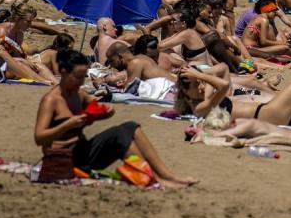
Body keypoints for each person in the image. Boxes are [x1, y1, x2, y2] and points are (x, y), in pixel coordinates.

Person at [33, 49, 197, 187]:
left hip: (83, 150)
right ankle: (155, 178)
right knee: (120, 135)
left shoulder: (79, 94)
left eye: (83, 77)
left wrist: (103, 112)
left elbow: (106, 110)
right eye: (77, 77)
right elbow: (39, 137)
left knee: (131, 127)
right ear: (63, 73)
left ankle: (166, 176)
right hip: (65, 156)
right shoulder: (51, 100)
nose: (80, 82)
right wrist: (68, 124)